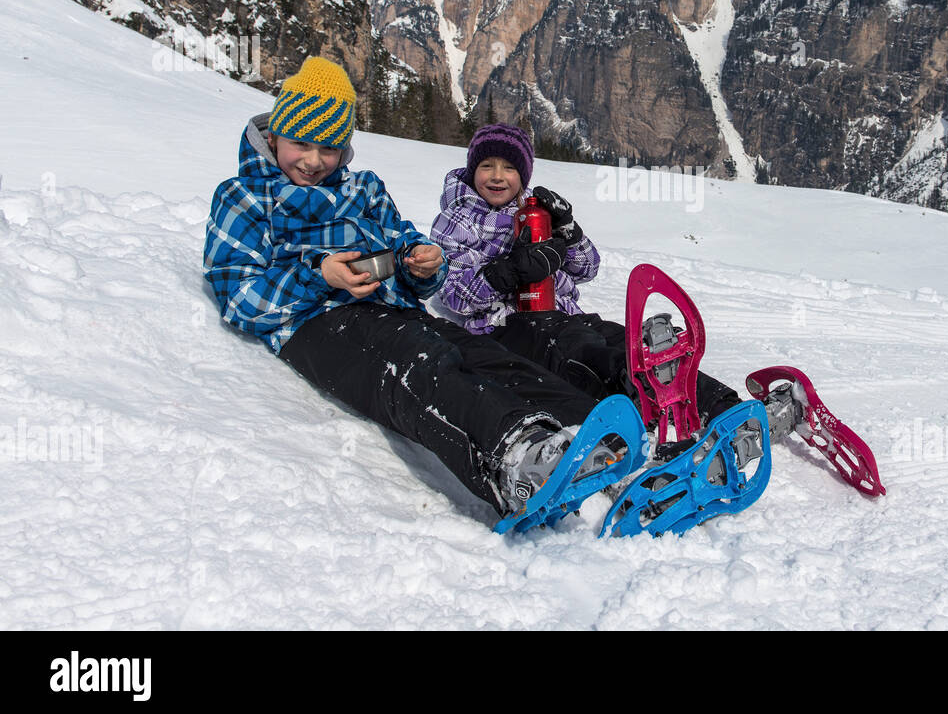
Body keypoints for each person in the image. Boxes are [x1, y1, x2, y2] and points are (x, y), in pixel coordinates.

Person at [202, 58, 638, 527]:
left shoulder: (363, 189)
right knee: (419, 362)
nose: (312, 160)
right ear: (273, 137)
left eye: (328, 147)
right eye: (300, 143)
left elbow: (405, 243)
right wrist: (318, 276)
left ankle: (609, 441)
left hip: (396, 309)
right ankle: (517, 456)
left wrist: (422, 263)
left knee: (486, 357)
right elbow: (238, 296)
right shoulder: (245, 196)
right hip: (318, 323)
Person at [428, 124, 793, 451]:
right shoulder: (458, 217)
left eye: (508, 167)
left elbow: (588, 267)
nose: (497, 176)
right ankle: (649, 411)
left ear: (522, 175)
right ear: (472, 169)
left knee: (629, 344)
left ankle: (727, 409)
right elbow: (455, 295)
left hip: (568, 315)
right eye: (486, 166)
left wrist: (569, 230)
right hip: (509, 327)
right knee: (585, 354)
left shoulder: (535, 212)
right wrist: (508, 270)